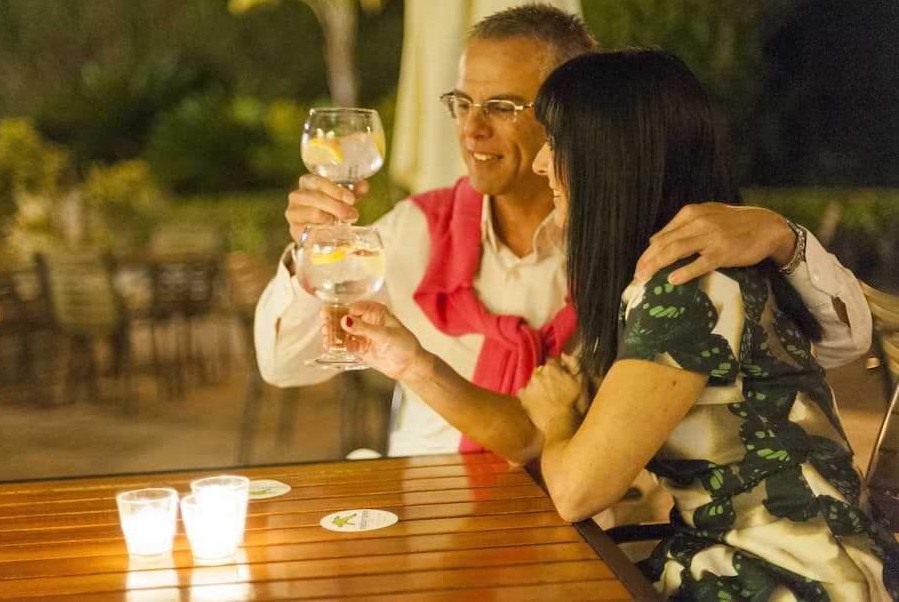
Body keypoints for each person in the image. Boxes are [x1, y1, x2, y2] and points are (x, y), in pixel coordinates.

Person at [338, 47, 898, 599]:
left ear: (611, 157)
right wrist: (412, 363)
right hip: (753, 566)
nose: (541, 163)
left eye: (557, 143)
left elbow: (576, 490)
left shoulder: (689, 287)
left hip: (796, 579)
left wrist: (559, 423)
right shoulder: (658, 282)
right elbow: (529, 434)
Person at [254, 3, 871, 465]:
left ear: (568, 116)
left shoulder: (640, 239)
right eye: (462, 103)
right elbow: (284, 366)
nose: (471, 130)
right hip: (432, 493)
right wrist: (310, 258)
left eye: (502, 107)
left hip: (589, 516)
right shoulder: (414, 230)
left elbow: (841, 343)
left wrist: (784, 240)